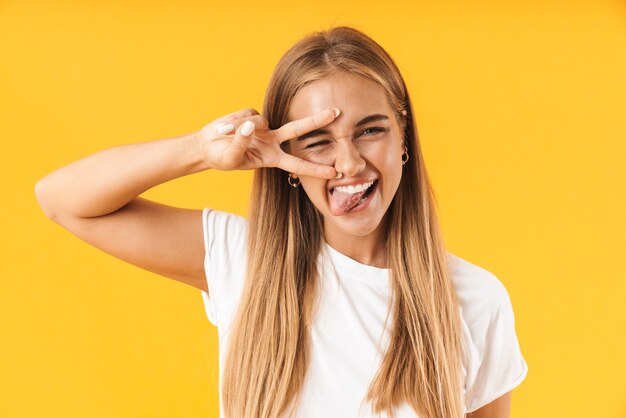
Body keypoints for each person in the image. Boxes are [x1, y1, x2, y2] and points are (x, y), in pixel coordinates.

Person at [35, 26, 528, 418]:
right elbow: (61, 199)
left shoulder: (476, 299)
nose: (349, 164)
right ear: (286, 160)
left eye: (370, 131)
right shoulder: (240, 259)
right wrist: (201, 151)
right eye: (318, 141)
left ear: (404, 139)